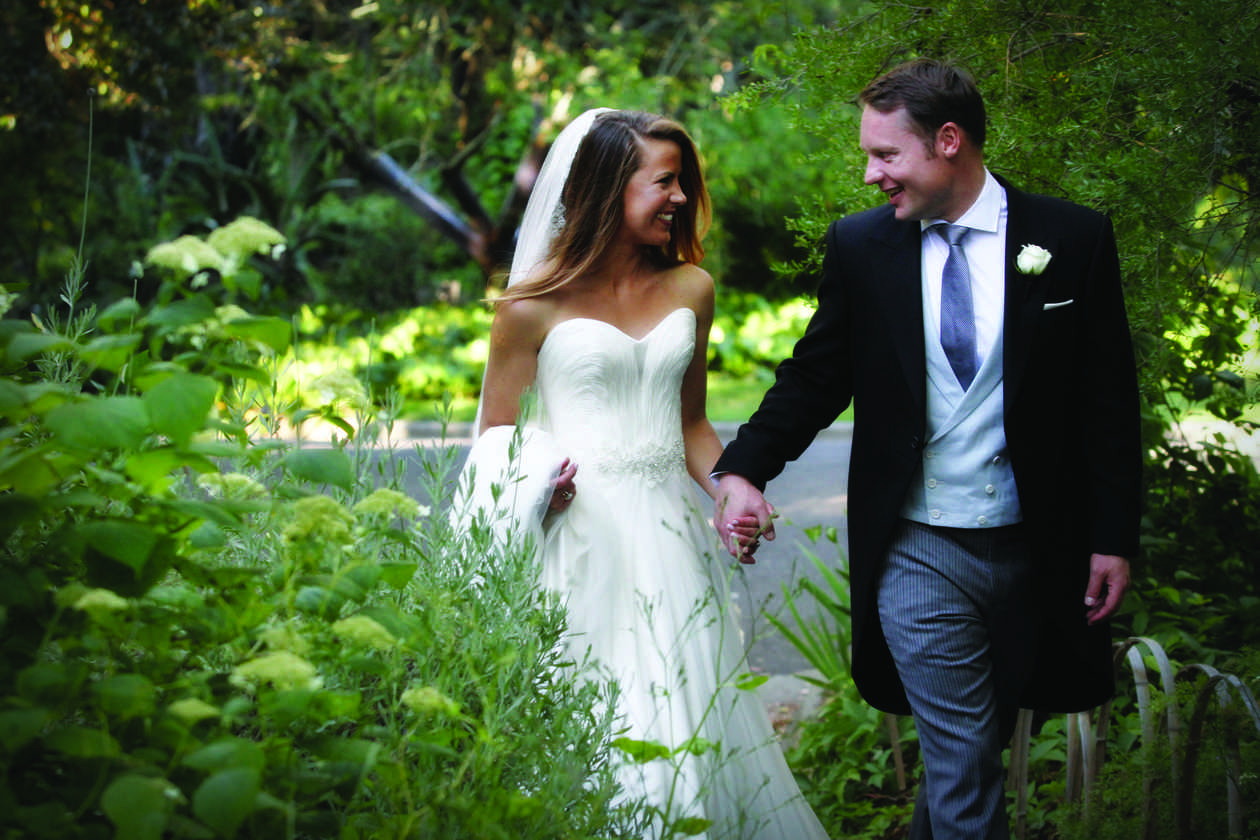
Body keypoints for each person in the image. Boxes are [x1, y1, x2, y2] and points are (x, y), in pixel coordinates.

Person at [712, 59, 1142, 839]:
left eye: (886, 155)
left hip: (1039, 543)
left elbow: (1106, 400)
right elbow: (816, 375)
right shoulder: (862, 246)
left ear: (948, 141)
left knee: (970, 754)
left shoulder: (1072, 238)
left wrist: (1112, 538)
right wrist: (744, 468)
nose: (873, 174)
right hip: (919, 546)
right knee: (961, 760)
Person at [455, 108, 829, 839]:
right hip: (576, 542)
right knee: (592, 721)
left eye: (683, 181)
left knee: (681, 714)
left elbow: (689, 422)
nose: (682, 198)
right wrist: (537, 487)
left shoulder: (692, 289)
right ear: (605, 190)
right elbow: (496, 438)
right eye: (664, 182)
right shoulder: (529, 308)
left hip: (666, 542)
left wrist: (730, 489)